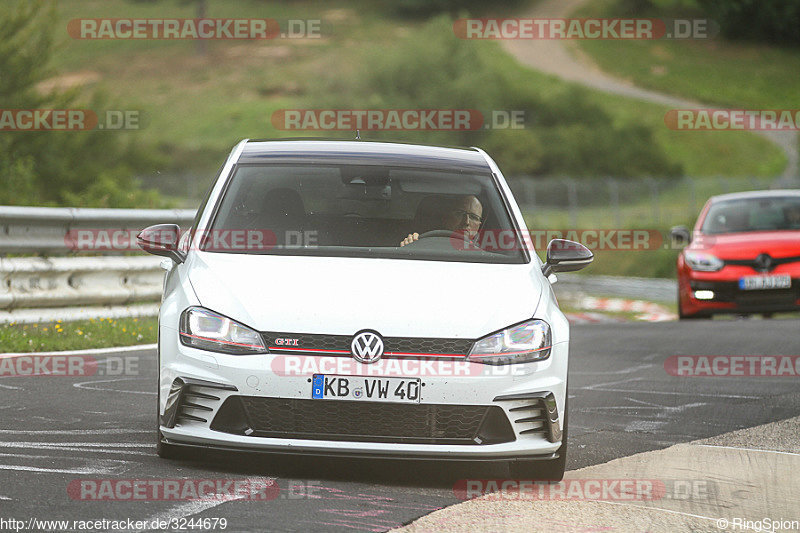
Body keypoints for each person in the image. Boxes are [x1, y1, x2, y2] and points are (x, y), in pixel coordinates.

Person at [400, 195, 483, 246]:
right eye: (459, 213)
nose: (466, 222)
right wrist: (409, 245)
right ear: (446, 217)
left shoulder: (487, 255)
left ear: (479, 225)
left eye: (474, 217)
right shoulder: (423, 243)